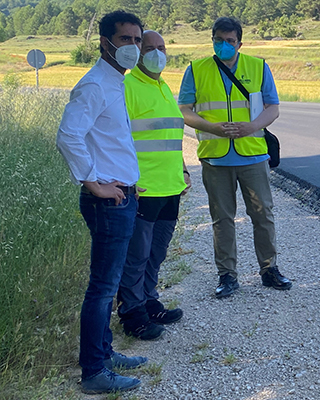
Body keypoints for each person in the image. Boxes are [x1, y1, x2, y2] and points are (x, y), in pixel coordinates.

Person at [56, 10, 148, 394]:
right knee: (103, 288)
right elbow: (68, 135)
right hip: (107, 203)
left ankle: (105, 353)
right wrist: (94, 183)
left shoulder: (116, 81)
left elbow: (110, 140)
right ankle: (94, 370)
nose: (133, 47)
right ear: (105, 43)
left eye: (137, 40)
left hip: (121, 195)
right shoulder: (94, 85)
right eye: (125, 39)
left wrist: (128, 180)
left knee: (107, 285)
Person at [178, 16, 291, 298]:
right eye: (219, 40)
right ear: (212, 40)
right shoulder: (196, 69)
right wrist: (212, 127)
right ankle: (227, 275)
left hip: (253, 154)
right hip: (215, 157)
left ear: (240, 43)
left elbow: (273, 107)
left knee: (263, 215)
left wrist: (252, 126)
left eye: (230, 41)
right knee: (222, 219)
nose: (224, 45)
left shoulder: (258, 66)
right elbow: (184, 110)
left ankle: (269, 269)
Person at [117, 30, 190, 341]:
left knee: (157, 253)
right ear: (137, 52)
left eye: (162, 48)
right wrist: (126, 180)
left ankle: (149, 301)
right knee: (136, 256)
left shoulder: (163, 86)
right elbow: (117, 140)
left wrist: (182, 170)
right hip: (143, 188)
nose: (157, 54)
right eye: (149, 48)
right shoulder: (127, 88)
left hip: (170, 186)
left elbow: (171, 136)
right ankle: (132, 314)